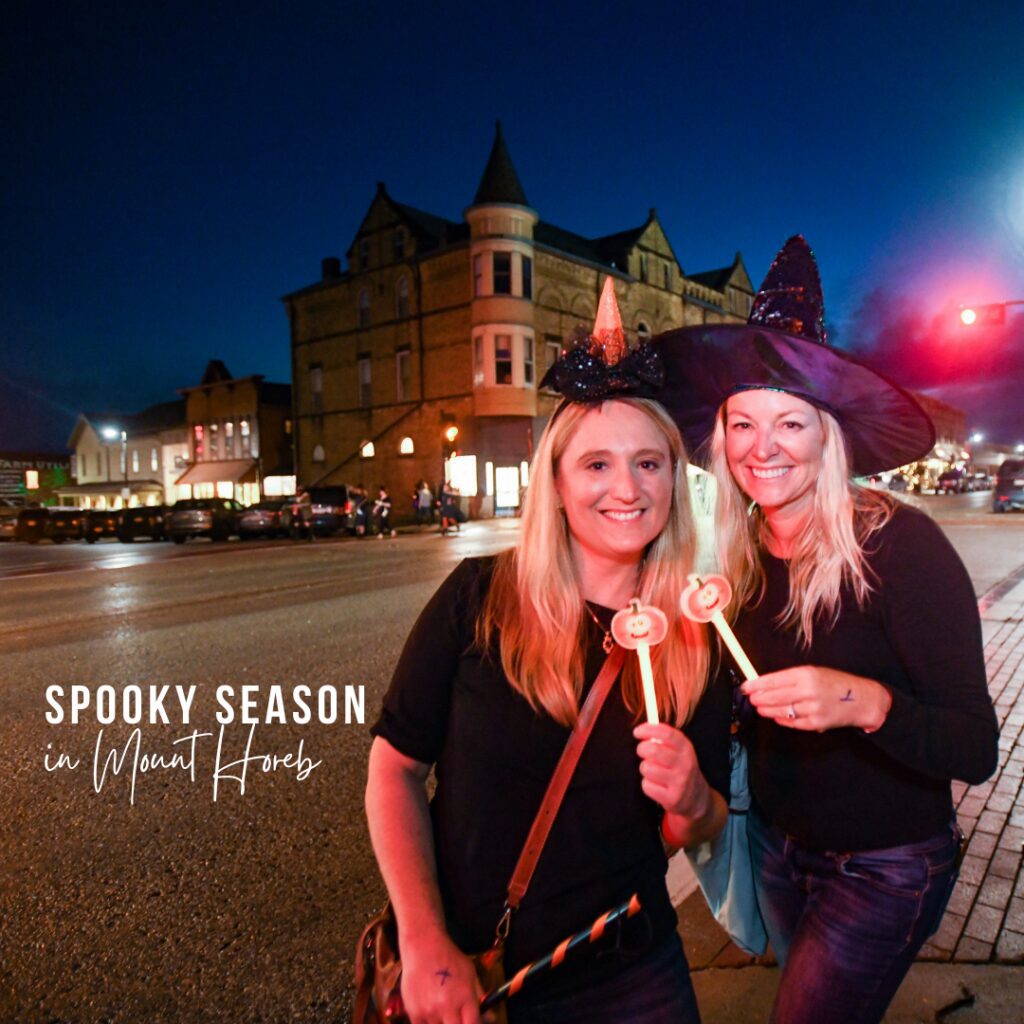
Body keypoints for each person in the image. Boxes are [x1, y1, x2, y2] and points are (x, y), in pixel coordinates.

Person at [365, 278, 730, 1024]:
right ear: (557, 484)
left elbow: (691, 826)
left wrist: (694, 804)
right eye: (596, 464)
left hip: (634, 968)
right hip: (473, 972)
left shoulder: (697, 632)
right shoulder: (480, 598)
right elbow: (394, 768)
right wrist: (425, 938)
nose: (626, 487)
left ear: (673, 477)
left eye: (649, 462)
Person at [656, 236, 999, 1024]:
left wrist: (864, 700)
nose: (762, 449)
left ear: (828, 436)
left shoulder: (902, 547)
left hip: (887, 864)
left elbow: (974, 748)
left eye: (790, 424)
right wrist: (696, 635)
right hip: (777, 850)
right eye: (742, 424)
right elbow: (737, 708)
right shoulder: (740, 557)